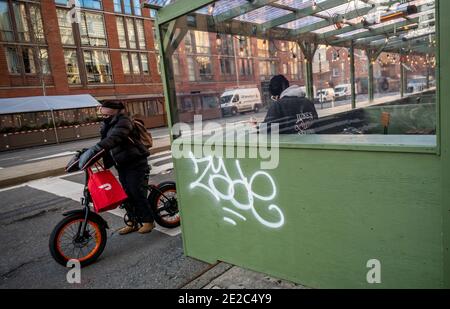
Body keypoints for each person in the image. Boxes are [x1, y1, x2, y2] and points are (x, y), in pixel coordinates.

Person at [78, 100, 154, 235]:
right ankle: (133, 222)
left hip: (135, 162)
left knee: (136, 192)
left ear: (114, 111)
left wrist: (97, 148)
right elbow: (105, 142)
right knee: (125, 194)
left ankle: (148, 221)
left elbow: (114, 139)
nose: (103, 114)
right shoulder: (108, 124)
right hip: (122, 163)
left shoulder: (124, 122)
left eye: (105, 112)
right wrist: (89, 152)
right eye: (102, 112)